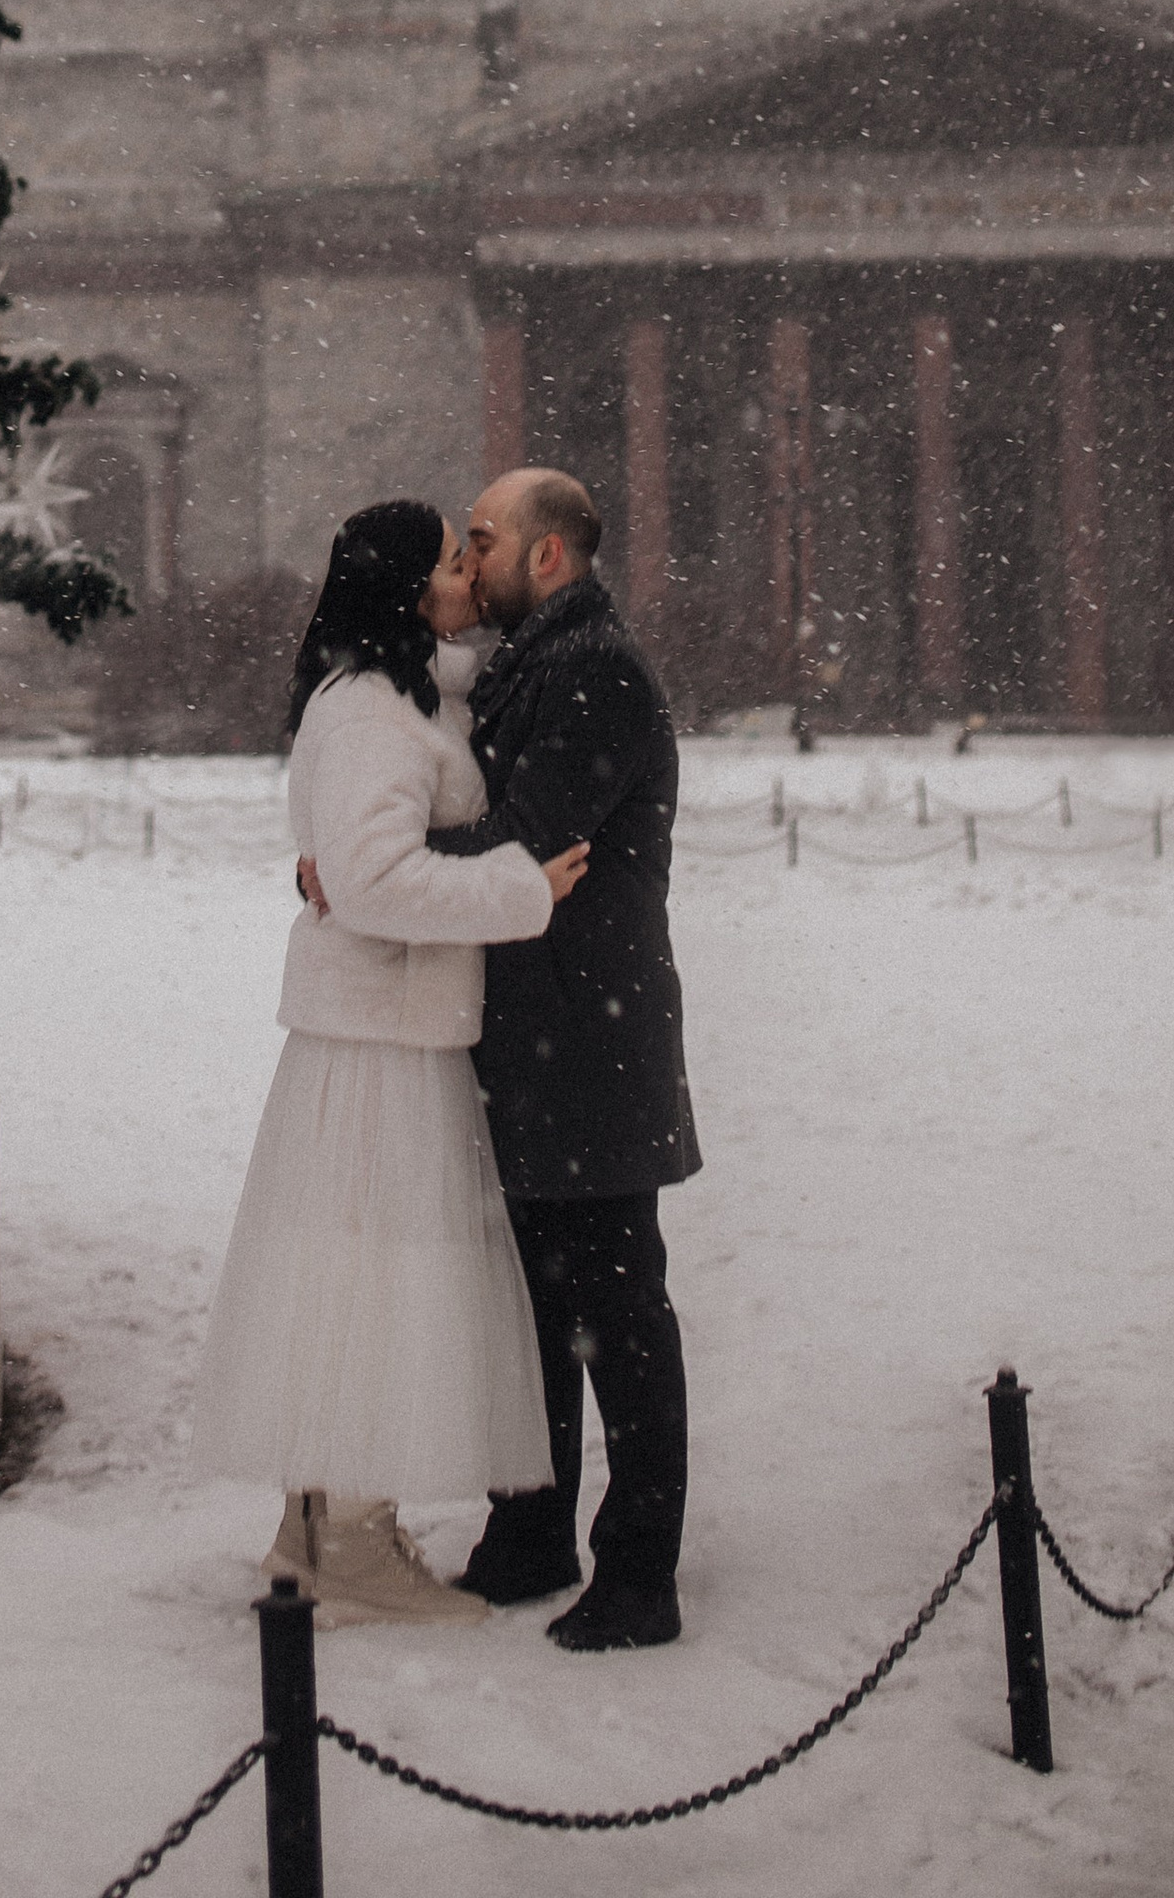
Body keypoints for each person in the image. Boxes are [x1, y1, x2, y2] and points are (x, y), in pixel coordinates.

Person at [188, 496, 590, 1626]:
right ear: (411, 589)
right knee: (375, 1281)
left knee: (344, 1278)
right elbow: (371, 884)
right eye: (453, 562)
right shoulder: (370, 713)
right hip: (380, 1041)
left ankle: (314, 1528)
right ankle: (349, 1534)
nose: (471, 572)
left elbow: (370, 825)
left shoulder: (392, 694)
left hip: (374, 1032)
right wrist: (521, 887)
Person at [427, 467, 702, 1651]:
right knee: (530, 1312)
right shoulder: (535, 661)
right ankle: (527, 1533)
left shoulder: (592, 671)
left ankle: (638, 1574)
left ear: (545, 557)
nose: (468, 555)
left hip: (588, 1042)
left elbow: (522, 838)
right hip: (539, 1038)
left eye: (481, 539)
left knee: (616, 1317)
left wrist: (381, 854)